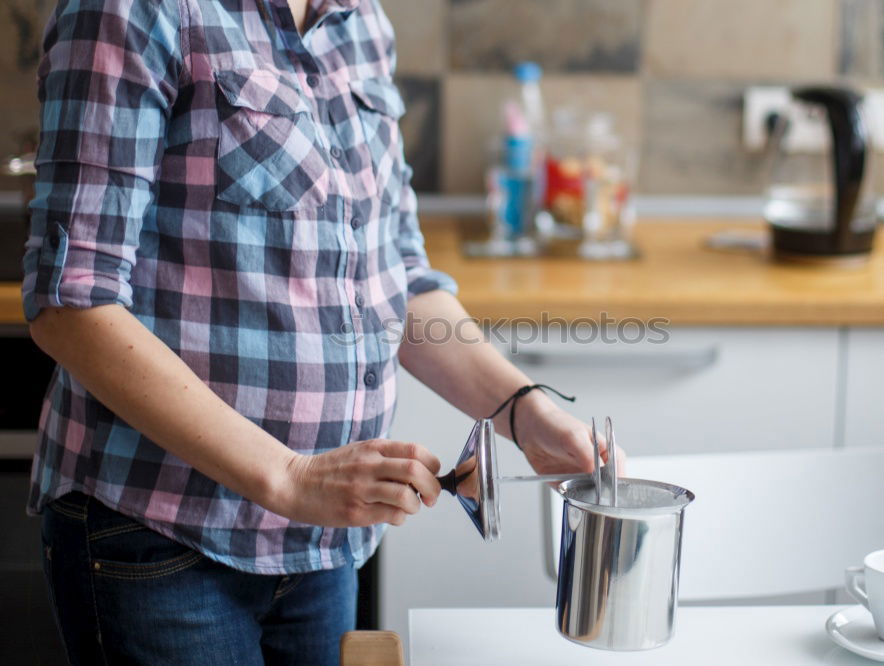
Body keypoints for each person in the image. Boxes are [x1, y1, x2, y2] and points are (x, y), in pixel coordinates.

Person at [23, 0, 605, 663]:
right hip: (162, 537)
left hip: (321, 541)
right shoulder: (133, 10)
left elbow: (400, 278)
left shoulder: (359, 21)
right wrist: (291, 477)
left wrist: (523, 412)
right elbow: (71, 305)